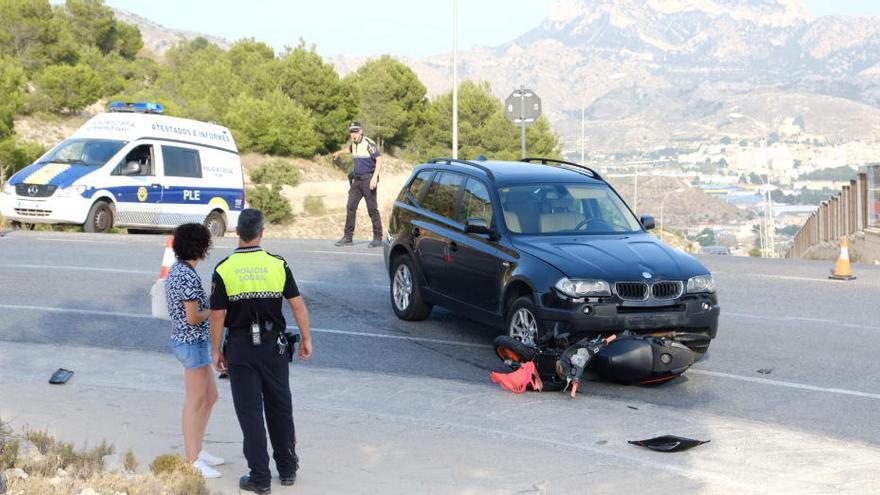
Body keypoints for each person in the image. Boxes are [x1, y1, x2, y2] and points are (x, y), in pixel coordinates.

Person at [210, 208, 314, 494]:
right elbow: (297, 304)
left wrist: (217, 350)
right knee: (280, 407)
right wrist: (306, 338)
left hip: (241, 348)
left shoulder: (224, 268)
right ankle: (288, 469)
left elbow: (217, 316)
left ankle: (260, 478)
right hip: (274, 347)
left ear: (236, 232)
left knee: (250, 413)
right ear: (262, 233)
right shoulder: (277, 264)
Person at [165, 222, 224, 479]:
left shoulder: (179, 270)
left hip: (192, 341)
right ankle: (192, 459)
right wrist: (218, 308)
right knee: (196, 400)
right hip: (191, 341)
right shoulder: (186, 275)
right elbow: (193, 317)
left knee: (210, 396)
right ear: (201, 247)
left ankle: (198, 450)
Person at [332, 121, 384, 248]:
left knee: (372, 209)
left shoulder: (368, 143)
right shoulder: (354, 144)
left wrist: (374, 177)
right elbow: (349, 149)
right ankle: (348, 238)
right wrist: (339, 152)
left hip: (368, 180)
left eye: (355, 131)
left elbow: (379, 159)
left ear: (361, 131)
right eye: (351, 131)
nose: (353, 134)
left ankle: (377, 238)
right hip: (357, 181)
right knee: (350, 207)